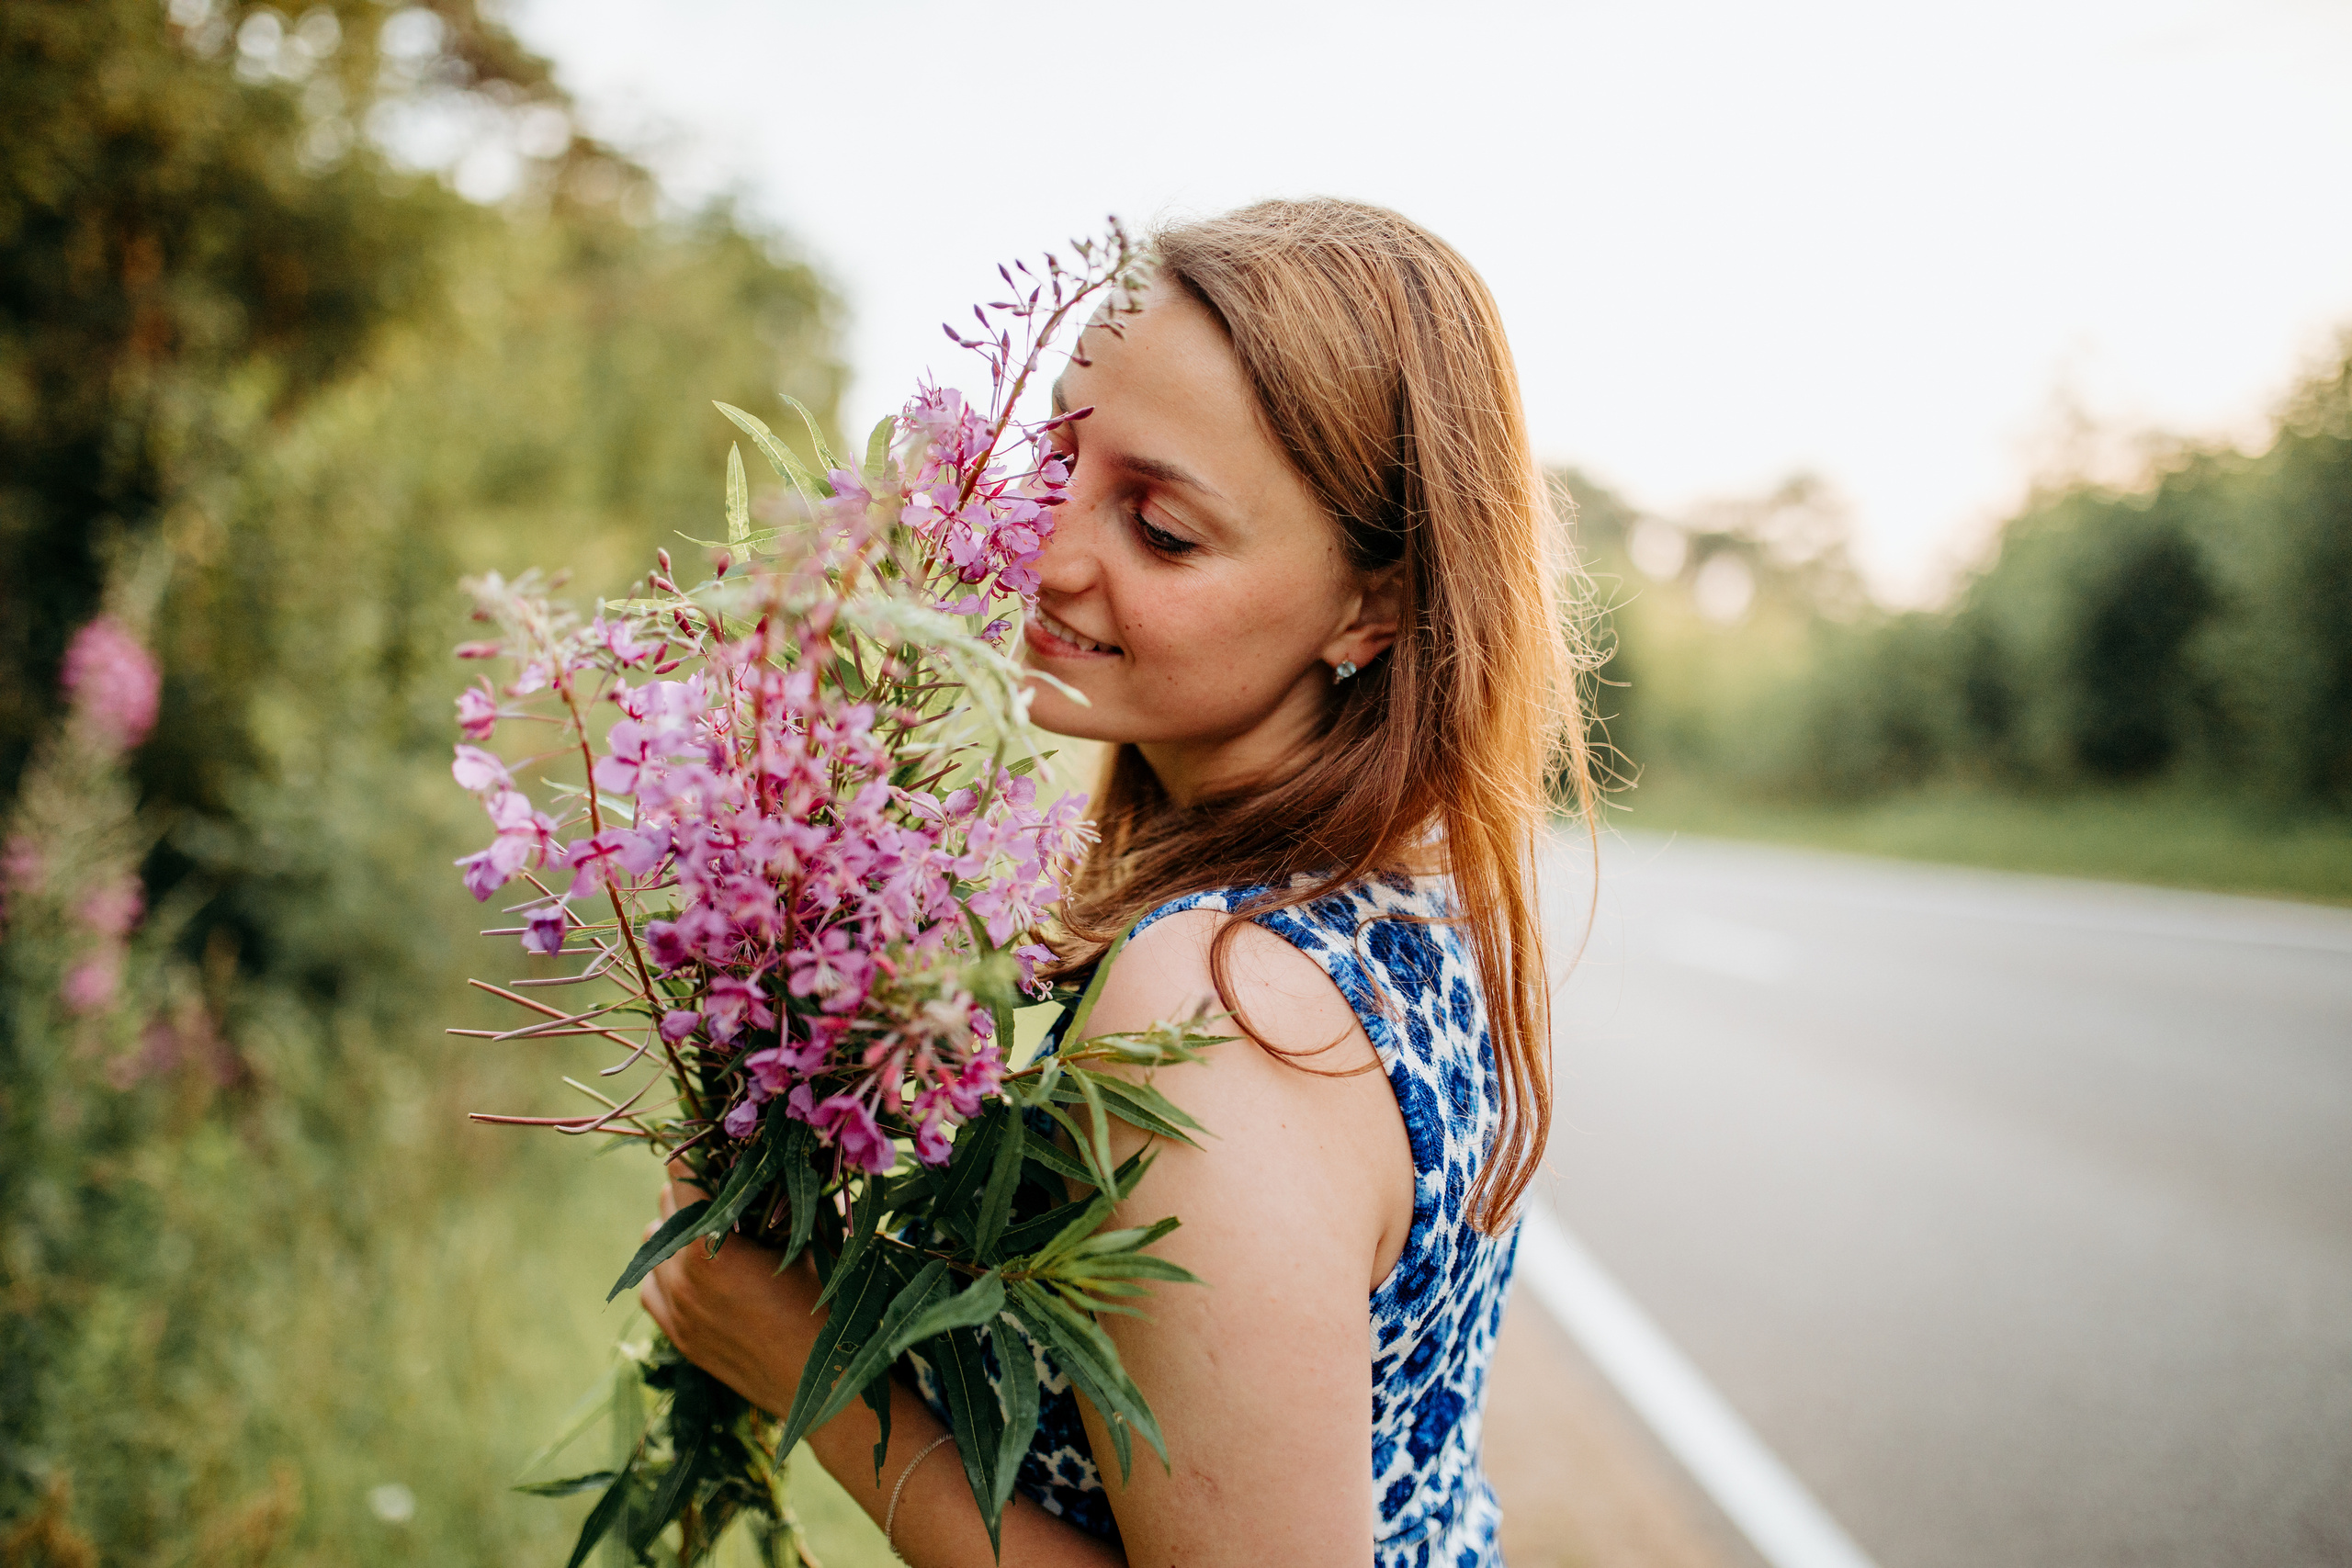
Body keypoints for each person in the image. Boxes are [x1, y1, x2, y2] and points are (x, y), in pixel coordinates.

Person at [638, 197, 1592, 1567]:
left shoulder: (1223, 1010)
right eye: (1057, 460)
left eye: (1160, 527)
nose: (1045, 546)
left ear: (1373, 608)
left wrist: (805, 1368)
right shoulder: (1392, 899)